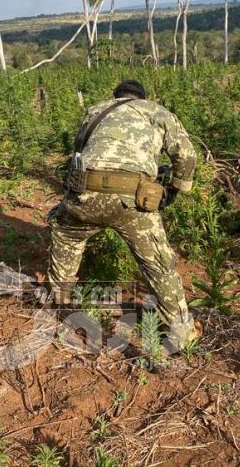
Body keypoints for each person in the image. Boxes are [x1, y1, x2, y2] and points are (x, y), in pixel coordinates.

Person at [47, 79, 200, 350]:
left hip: (85, 194)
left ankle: (59, 302)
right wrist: (176, 189)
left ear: (115, 96)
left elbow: (79, 152)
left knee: (65, 233)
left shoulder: (95, 111)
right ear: (142, 97)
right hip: (132, 202)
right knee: (158, 265)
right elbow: (187, 156)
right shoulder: (156, 111)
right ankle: (181, 334)